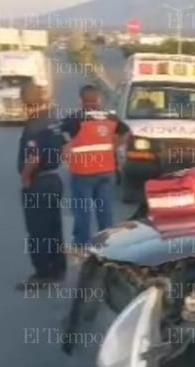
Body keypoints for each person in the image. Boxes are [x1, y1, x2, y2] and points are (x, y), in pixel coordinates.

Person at [61, 84, 129, 247]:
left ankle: (82, 244)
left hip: (83, 172)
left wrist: (67, 155)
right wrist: (114, 146)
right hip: (106, 170)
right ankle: (107, 243)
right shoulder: (111, 118)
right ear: (98, 99)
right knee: (105, 209)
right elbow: (125, 132)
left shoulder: (76, 119)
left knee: (82, 211)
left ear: (81, 101)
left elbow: (61, 138)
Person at [16, 83, 67, 291]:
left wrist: (26, 178)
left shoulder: (34, 125)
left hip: (39, 182)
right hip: (54, 180)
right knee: (54, 228)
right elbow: (65, 146)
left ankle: (42, 274)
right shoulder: (53, 119)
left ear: (27, 102)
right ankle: (57, 269)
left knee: (38, 231)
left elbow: (33, 158)